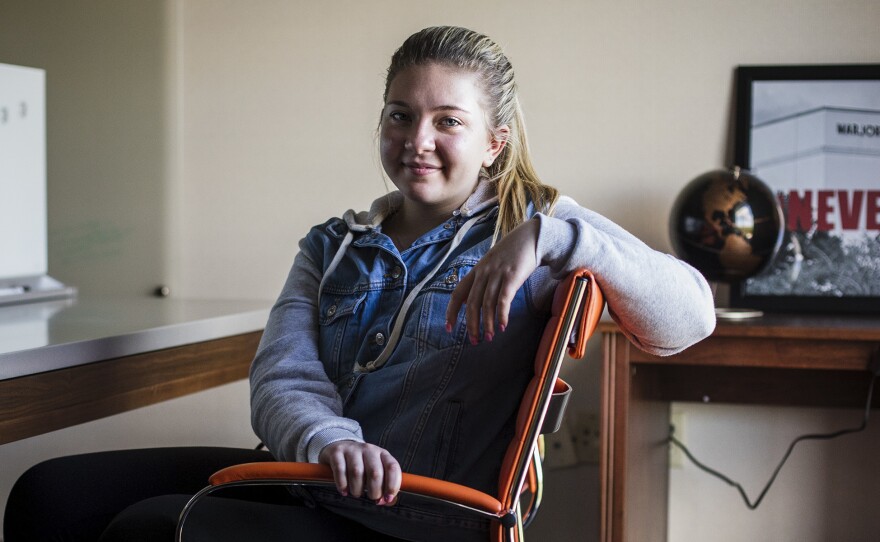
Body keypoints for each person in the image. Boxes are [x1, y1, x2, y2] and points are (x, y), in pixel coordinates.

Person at [4, 25, 715, 542]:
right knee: (50, 494)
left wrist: (551, 234)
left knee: (147, 530)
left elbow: (690, 319)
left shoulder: (540, 232)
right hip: (315, 480)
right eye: (401, 115)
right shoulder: (332, 244)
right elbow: (281, 377)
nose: (418, 140)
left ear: (494, 141)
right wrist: (325, 439)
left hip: (414, 518)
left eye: (449, 121)